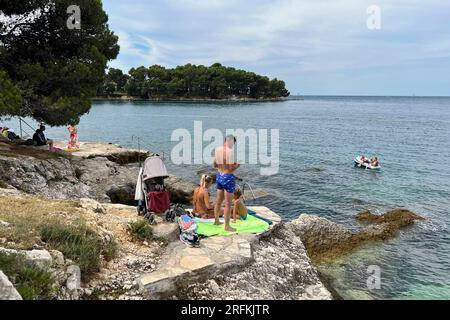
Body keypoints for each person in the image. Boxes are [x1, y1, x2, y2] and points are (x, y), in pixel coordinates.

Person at [213, 135, 240, 232]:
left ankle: (216, 221)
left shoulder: (217, 149)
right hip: (228, 177)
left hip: (219, 175)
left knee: (218, 201)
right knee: (228, 204)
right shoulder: (230, 151)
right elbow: (230, 168)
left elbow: (214, 164)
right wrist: (237, 165)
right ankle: (227, 226)